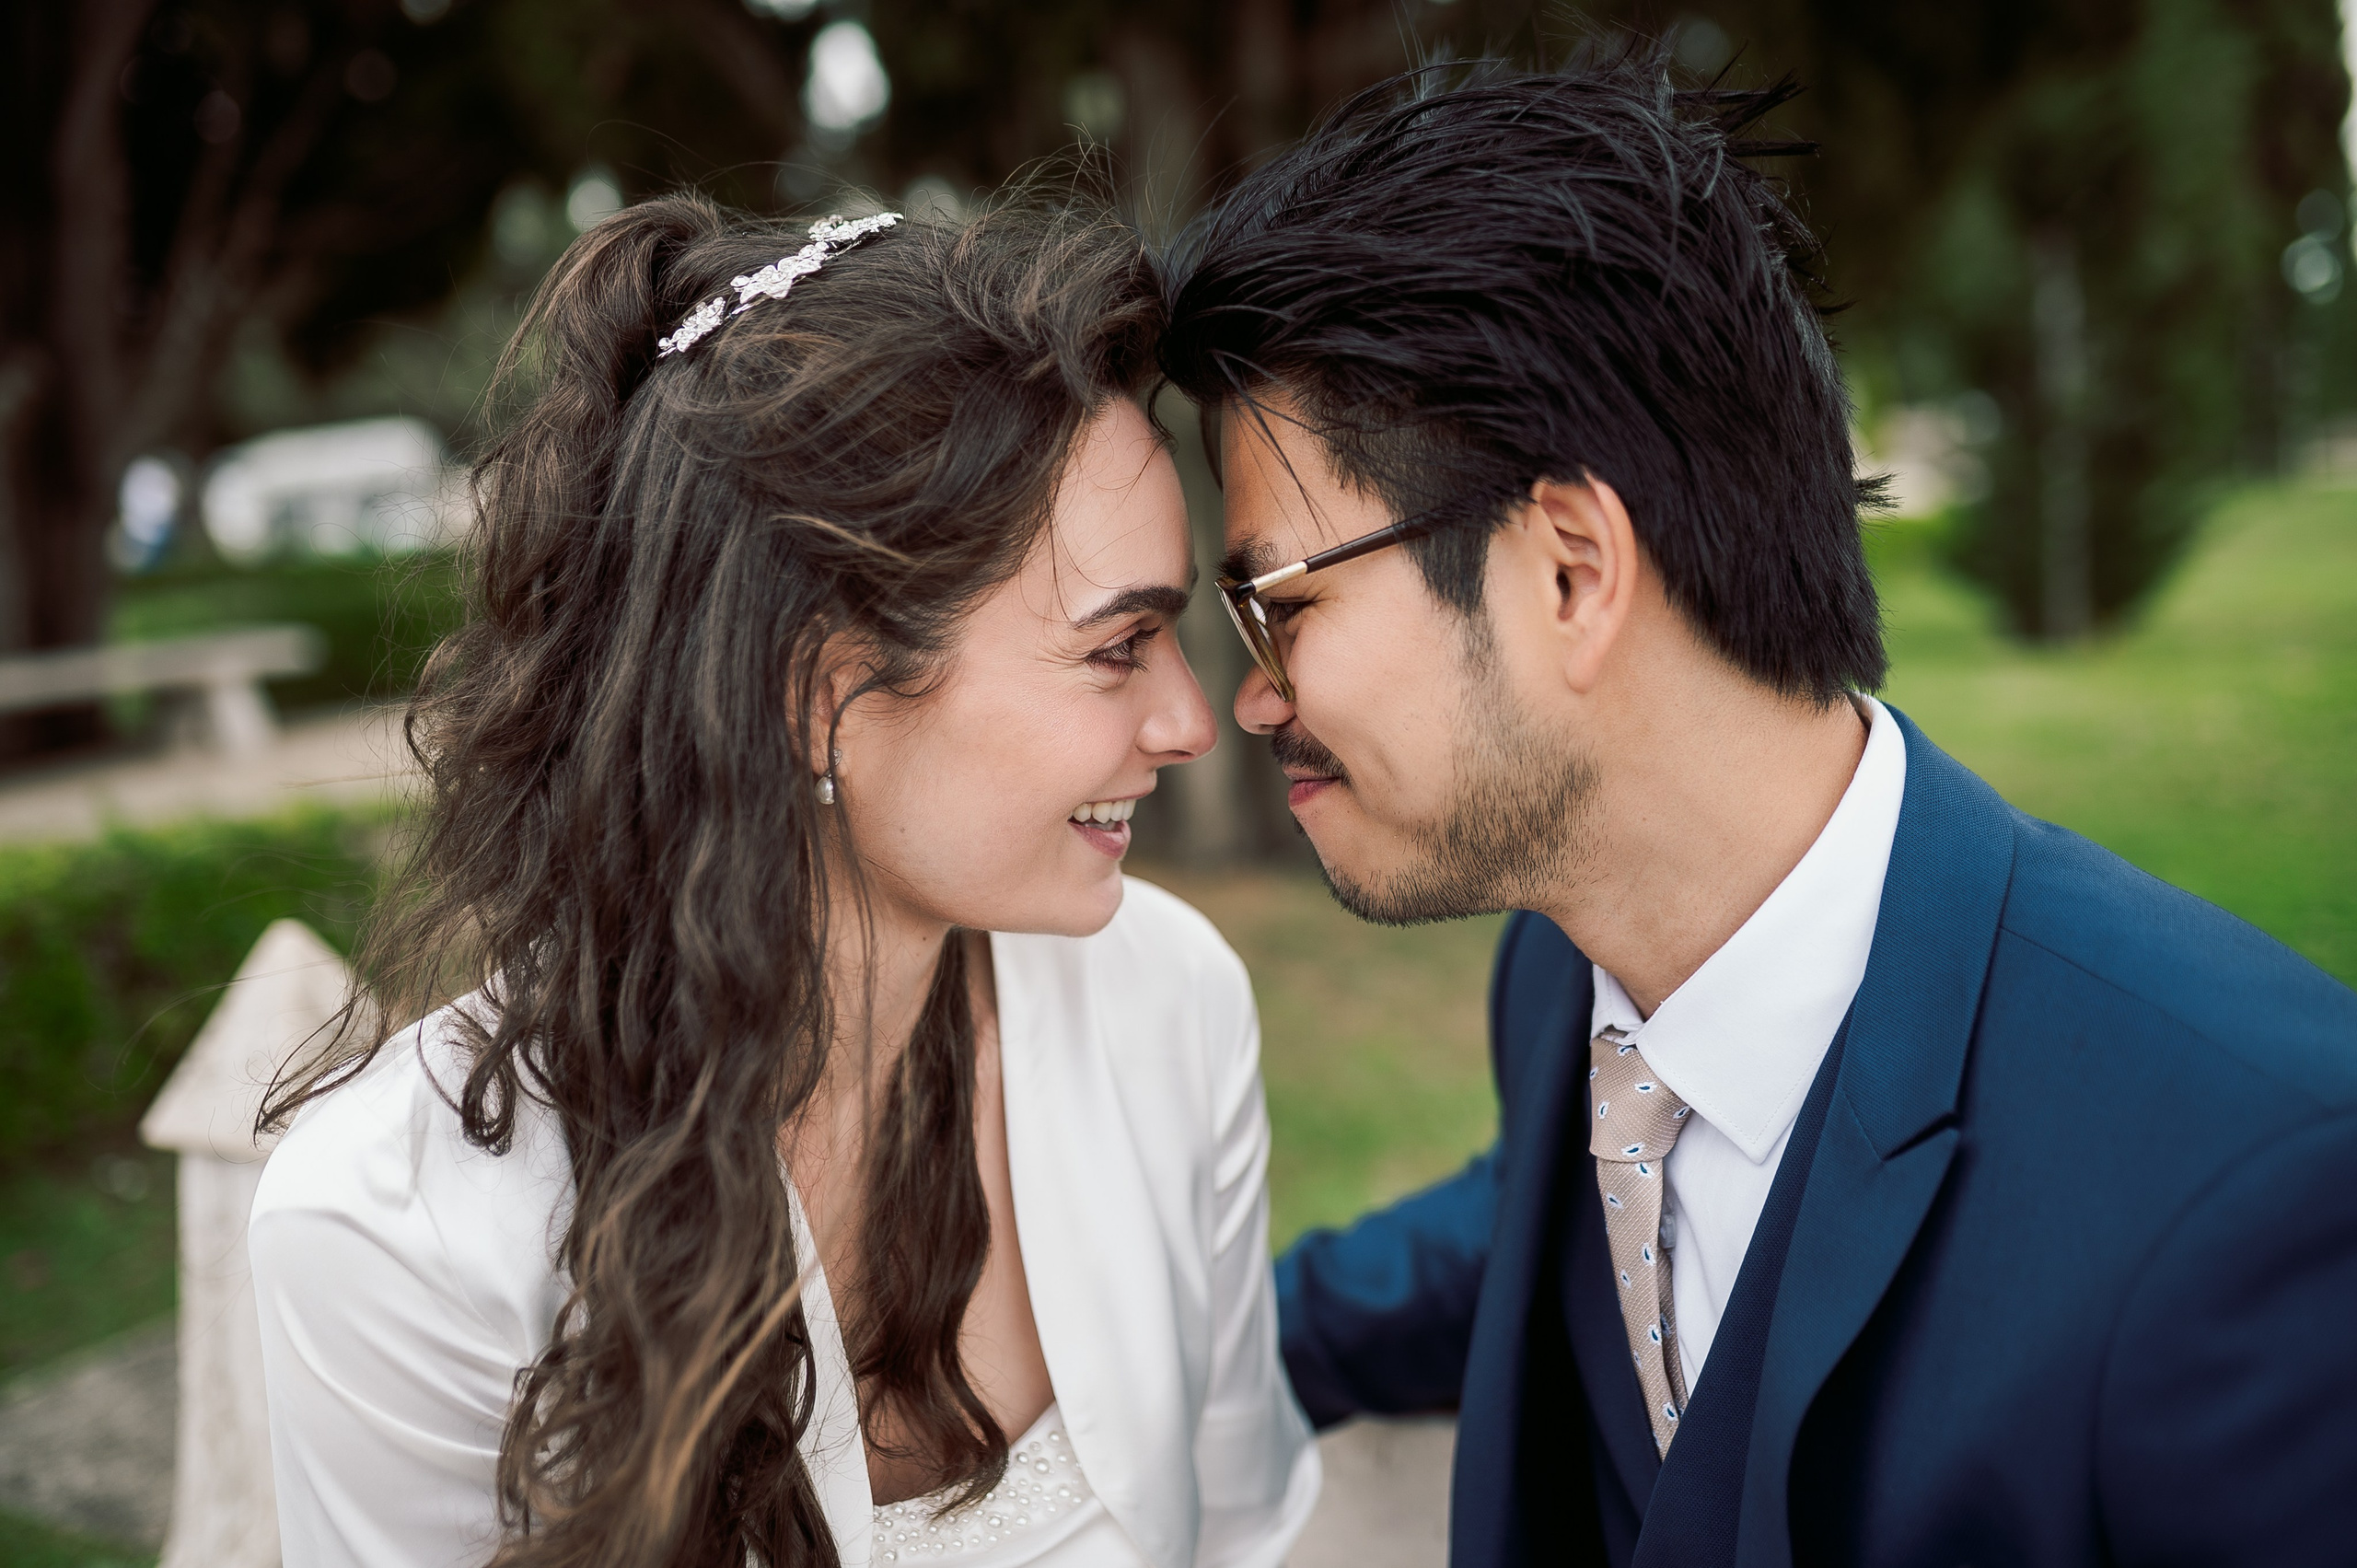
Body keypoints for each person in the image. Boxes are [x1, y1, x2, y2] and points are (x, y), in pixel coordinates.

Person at [1159, 57, 2357, 1568]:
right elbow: (1568, 1213)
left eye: (1276, 604)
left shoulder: (2257, 1189)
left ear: (1570, 573)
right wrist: (1157, 1369)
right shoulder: (1566, 977)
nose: (1246, 704)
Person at [248, 193, 1318, 1568]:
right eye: (1118, 648)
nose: (1190, 721)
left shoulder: (1170, 1002)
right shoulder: (394, 1236)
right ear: (818, 692)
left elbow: (1239, 1531)